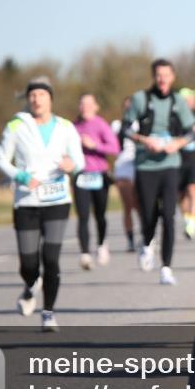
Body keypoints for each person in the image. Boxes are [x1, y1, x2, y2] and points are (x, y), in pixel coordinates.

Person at [0, 77, 85, 331]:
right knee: (29, 263)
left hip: (57, 199)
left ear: (50, 99)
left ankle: (49, 312)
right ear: (28, 99)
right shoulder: (15, 125)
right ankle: (30, 285)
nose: (36, 99)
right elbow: (2, 160)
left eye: (41, 95)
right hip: (26, 199)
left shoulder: (66, 127)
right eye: (32, 95)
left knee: (52, 258)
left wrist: (73, 166)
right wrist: (21, 176)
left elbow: (79, 160)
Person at [122, 59, 195, 285]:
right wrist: (145, 140)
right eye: (158, 75)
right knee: (147, 214)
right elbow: (125, 128)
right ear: (153, 77)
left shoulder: (178, 101)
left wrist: (179, 143)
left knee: (169, 216)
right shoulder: (140, 99)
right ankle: (146, 243)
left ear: (173, 77)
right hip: (146, 164)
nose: (162, 79)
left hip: (170, 164)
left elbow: (191, 130)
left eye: (166, 75)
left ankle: (166, 267)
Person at [73, 93, 120, 269]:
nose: (85, 107)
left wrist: (95, 146)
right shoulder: (73, 126)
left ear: (95, 107)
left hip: (99, 175)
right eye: (82, 104)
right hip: (80, 175)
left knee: (100, 214)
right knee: (83, 215)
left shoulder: (101, 124)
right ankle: (85, 254)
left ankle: (101, 245)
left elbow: (115, 148)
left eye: (88, 104)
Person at [110, 97, 140, 252]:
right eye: (126, 106)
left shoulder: (143, 124)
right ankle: (130, 240)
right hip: (123, 167)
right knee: (128, 205)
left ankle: (147, 236)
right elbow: (110, 145)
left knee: (141, 205)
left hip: (141, 165)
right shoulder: (116, 125)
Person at [176, 88, 195, 240]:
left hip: (194, 159)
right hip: (179, 159)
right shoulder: (176, 116)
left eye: (192, 99)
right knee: (181, 194)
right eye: (186, 100)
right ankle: (188, 220)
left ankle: (192, 225)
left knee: (193, 190)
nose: (190, 102)